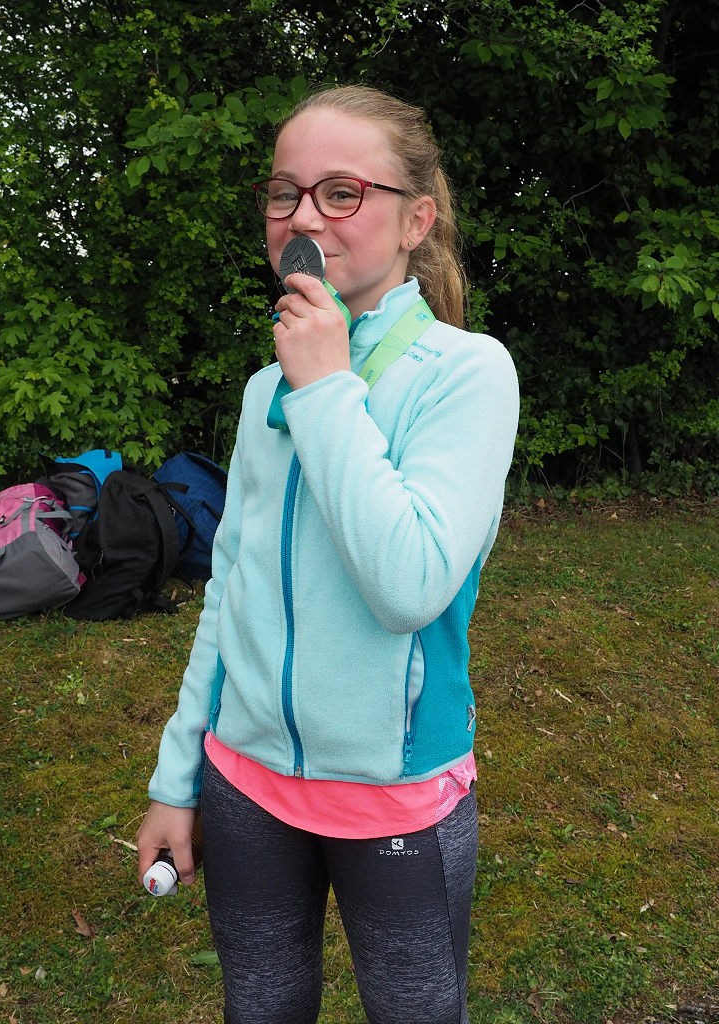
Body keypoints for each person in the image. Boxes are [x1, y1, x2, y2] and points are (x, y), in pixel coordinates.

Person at [136, 84, 519, 1024]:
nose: (304, 218)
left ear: (416, 220)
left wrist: (324, 388)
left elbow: (409, 585)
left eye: (342, 192)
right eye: (285, 192)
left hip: (395, 797)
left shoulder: (466, 373)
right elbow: (230, 589)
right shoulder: (264, 387)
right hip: (242, 784)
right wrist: (177, 779)